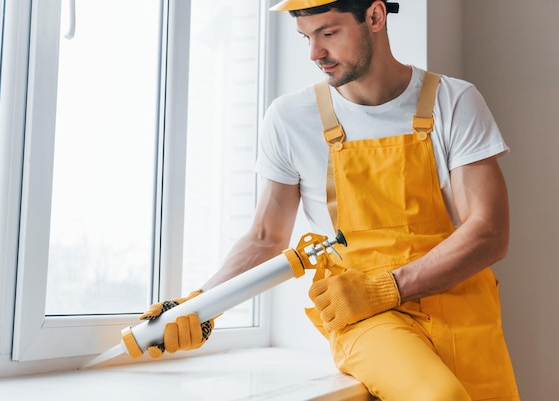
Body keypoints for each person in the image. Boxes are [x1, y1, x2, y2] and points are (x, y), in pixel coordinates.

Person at [139, 1, 520, 400]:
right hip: (365, 313)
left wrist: (388, 285)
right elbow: (266, 237)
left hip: (463, 309)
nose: (314, 53)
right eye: (306, 37)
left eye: (328, 33)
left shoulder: (454, 102)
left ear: (374, 17)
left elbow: (489, 232)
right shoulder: (291, 118)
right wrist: (202, 304)